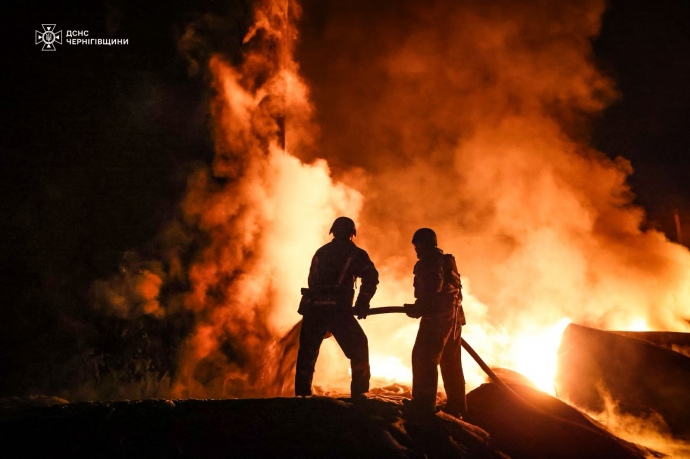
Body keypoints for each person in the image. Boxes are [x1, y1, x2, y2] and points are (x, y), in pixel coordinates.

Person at [295, 216, 379, 399]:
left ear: (333, 232)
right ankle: (360, 396)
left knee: (306, 356)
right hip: (338, 313)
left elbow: (312, 281)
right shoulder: (354, 253)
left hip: (313, 310)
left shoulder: (321, 252)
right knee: (359, 347)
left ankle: (301, 398)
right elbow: (371, 277)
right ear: (352, 234)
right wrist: (363, 302)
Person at [404, 228, 466, 418]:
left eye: (417, 246)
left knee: (423, 357)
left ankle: (423, 406)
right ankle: (457, 406)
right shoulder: (446, 261)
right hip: (454, 317)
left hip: (437, 317)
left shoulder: (429, 260)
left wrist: (419, 307)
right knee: (451, 361)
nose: (416, 250)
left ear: (424, 244)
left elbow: (433, 288)